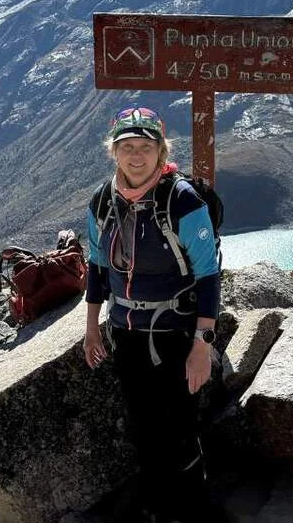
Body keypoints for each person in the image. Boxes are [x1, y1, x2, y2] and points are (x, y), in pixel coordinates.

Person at [83, 105, 221, 523]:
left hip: (176, 334)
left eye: (146, 147)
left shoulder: (181, 200)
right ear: (114, 152)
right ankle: (157, 509)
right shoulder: (103, 202)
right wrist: (92, 329)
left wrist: (202, 346)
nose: (136, 156)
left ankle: (193, 511)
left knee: (179, 429)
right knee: (143, 428)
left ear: (162, 152)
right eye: (127, 147)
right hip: (125, 332)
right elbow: (97, 267)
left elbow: (209, 276)